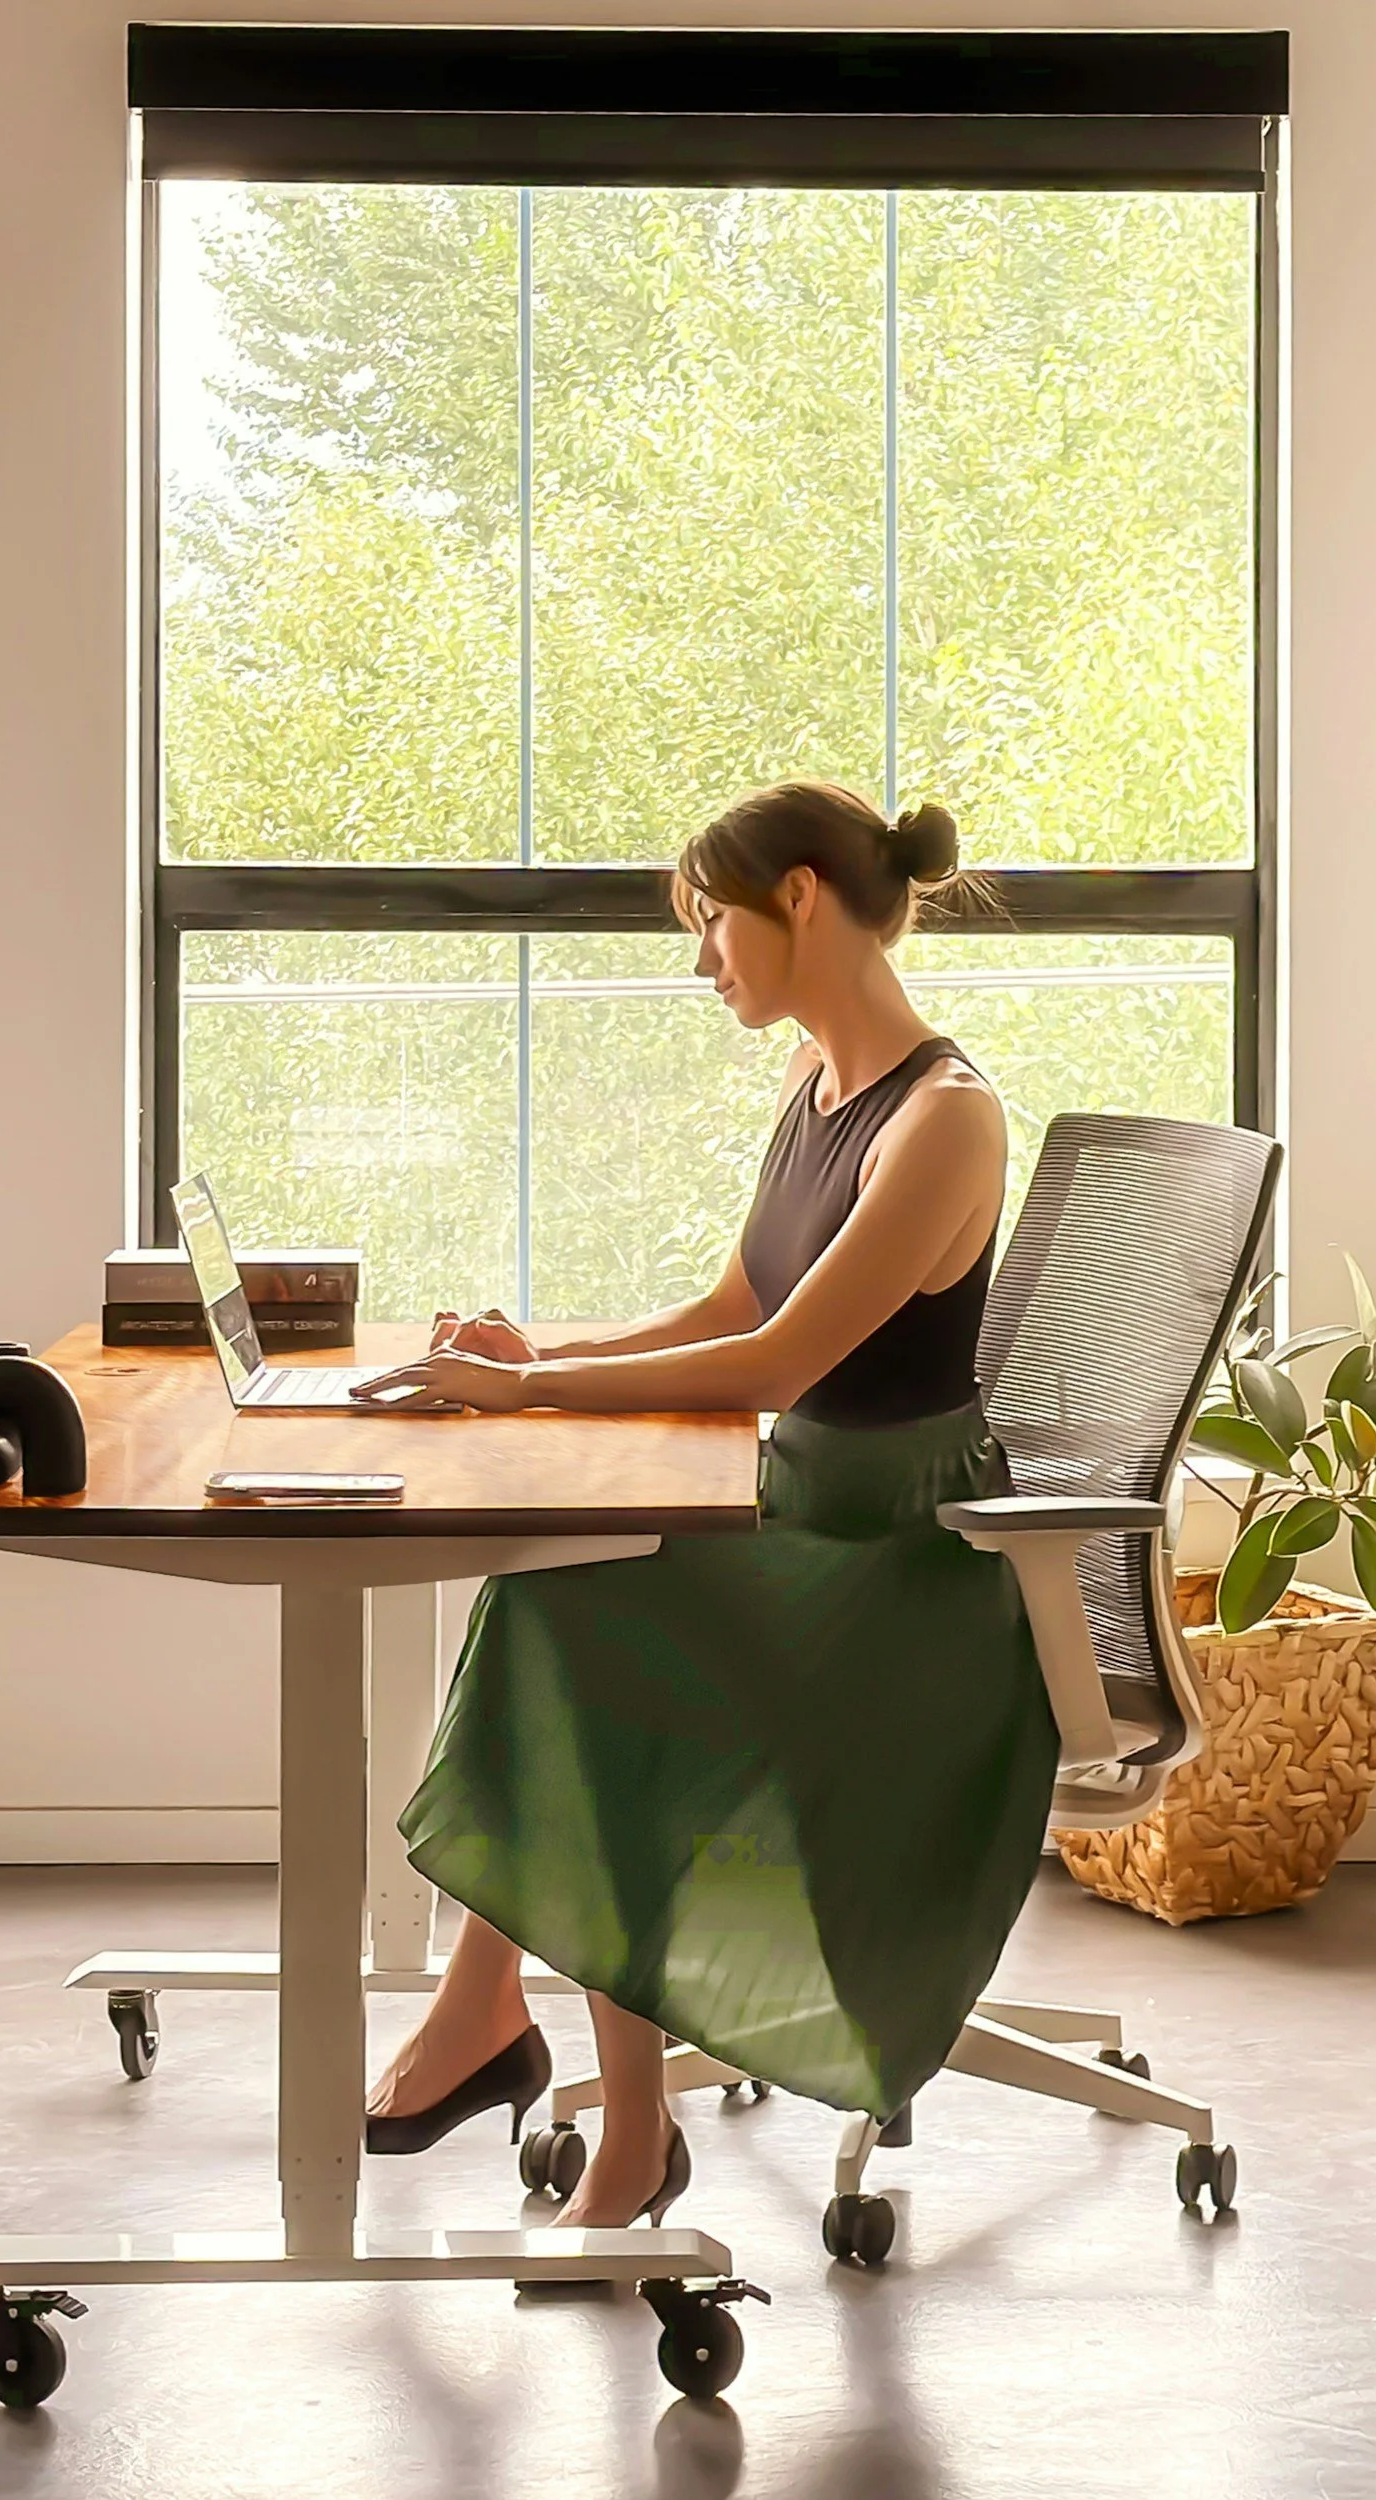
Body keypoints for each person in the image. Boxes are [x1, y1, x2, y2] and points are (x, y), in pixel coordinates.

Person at [354, 779, 1058, 2228]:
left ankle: (551, 2070)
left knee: (584, 1618)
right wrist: (537, 1348)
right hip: (800, 1512)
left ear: (798, 896)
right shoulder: (819, 1086)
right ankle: (537, 2053)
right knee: (559, 1581)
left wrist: (524, 1401)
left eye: (709, 923)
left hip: (898, 1565)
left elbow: (779, 1359)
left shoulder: (945, 1121)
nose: (700, 961)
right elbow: (741, 1297)